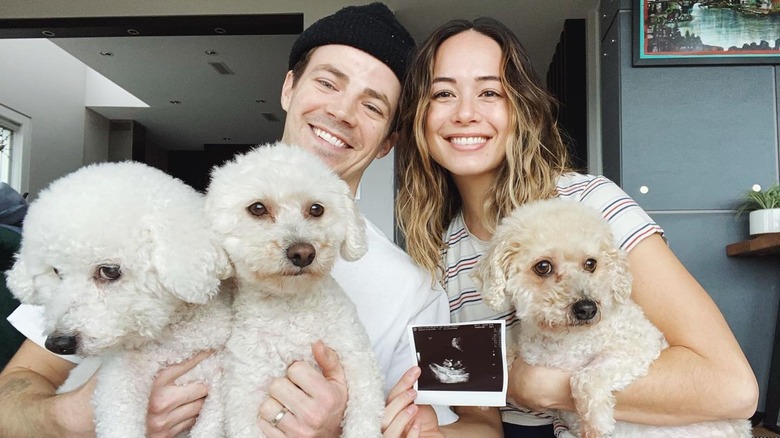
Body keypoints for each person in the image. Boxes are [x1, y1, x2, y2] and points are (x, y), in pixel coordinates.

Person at [0, 4, 493, 437]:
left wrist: (337, 431)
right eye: (327, 82)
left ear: (389, 140)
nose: (342, 111)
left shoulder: (420, 289)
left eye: (372, 105)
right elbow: (14, 392)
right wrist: (79, 417)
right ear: (288, 87)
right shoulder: (156, 226)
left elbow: (479, 428)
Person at [393, 17, 759, 437]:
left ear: (521, 109)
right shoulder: (438, 255)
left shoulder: (592, 206)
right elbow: (481, 420)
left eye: (489, 91)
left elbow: (733, 389)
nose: (466, 113)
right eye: (443, 93)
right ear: (419, 116)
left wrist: (550, 387)